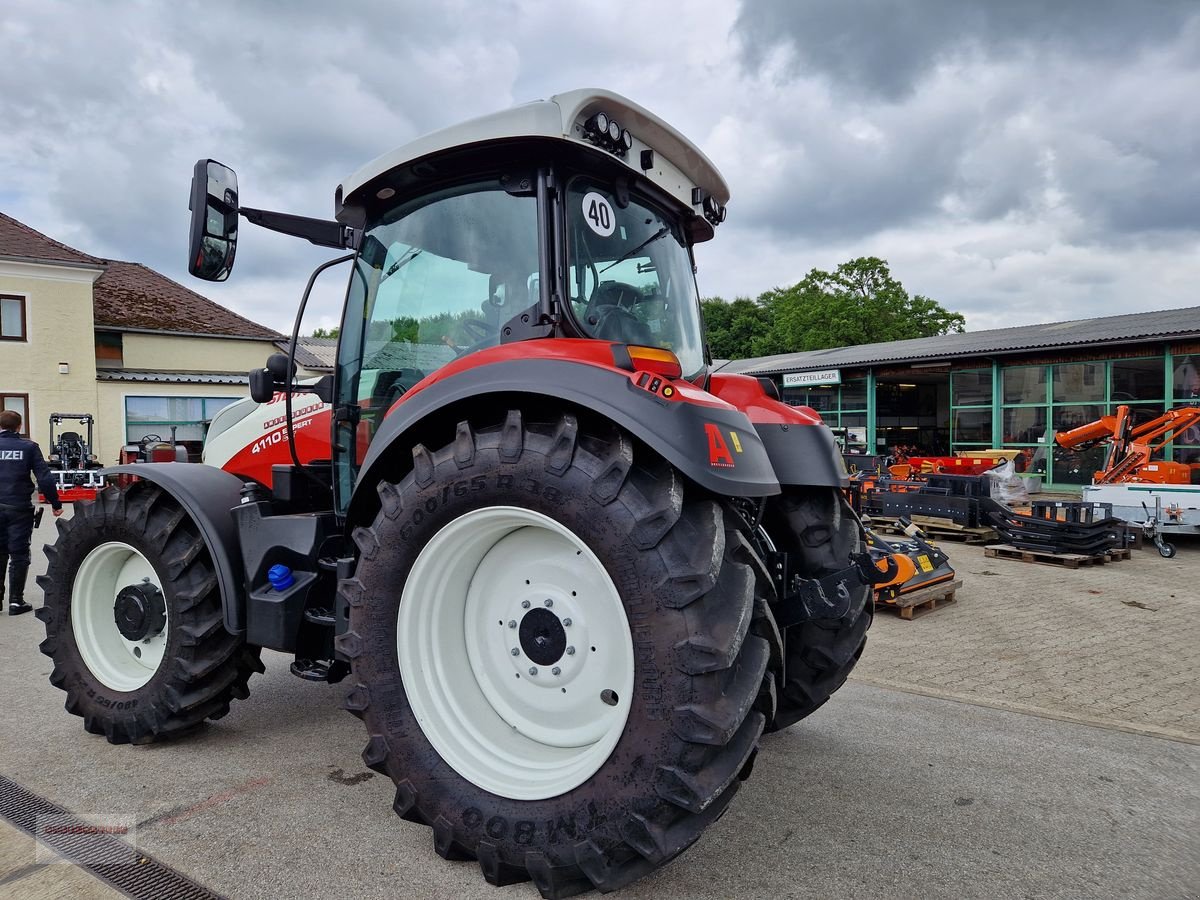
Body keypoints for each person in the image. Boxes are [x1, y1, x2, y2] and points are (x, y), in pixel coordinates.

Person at [0, 409, 63, 615]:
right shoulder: (29, 447)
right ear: (19, 426)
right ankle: (16, 602)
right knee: (18, 554)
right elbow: (44, 478)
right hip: (18, 507)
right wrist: (55, 503)